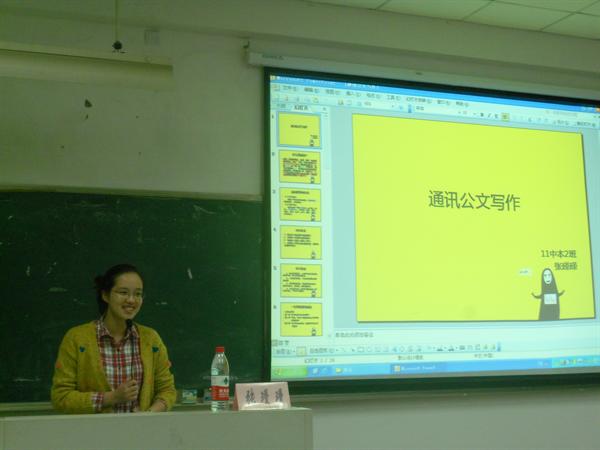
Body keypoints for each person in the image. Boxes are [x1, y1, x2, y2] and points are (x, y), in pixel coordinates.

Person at [51, 264, 176, 413]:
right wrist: (111, 398)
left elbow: (167, 390)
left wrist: (148, 414)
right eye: (123, 292)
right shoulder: (77, 338)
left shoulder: (151, 339)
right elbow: (61, 397)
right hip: (93, 428)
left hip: (141, 427)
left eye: (138, 294)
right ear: (105, 295)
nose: (131, 300)